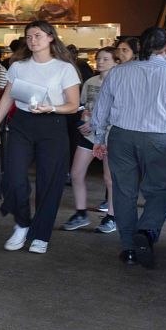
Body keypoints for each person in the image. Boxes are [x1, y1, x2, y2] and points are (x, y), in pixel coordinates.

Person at [91, 27, 166, 268]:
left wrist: (98, 138)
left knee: (124, 191)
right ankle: (147, 232)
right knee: (160, 189)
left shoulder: (118, 73)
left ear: (140, 48)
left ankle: (128, 248)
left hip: (121, 137)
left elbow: (102, 108)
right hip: (159, 138)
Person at [0, 20, 81, 255]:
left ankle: (41, 234)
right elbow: (8, 97)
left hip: (53, 125)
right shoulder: (18, 66)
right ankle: (22, 223)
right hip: (22, 123)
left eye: (37, 35)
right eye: (29, 36)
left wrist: (52, 108)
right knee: (14, 177)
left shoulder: (64, 68)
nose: (32, 40)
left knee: (49, 182)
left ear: (51, 37)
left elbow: (73, 105)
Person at [61, 48, 117, 234]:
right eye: (98, 58)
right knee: (76, 173)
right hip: (89, 134)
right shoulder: (90, 82)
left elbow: (120, 112)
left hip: (110, 135)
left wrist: (95, 121)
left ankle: (111, 216)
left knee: (109, 178)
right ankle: (80, 213)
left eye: (105, 59)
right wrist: (83, 117)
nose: (100, 62)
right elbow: (81, 105)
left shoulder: (119, 83)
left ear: (115, 62)